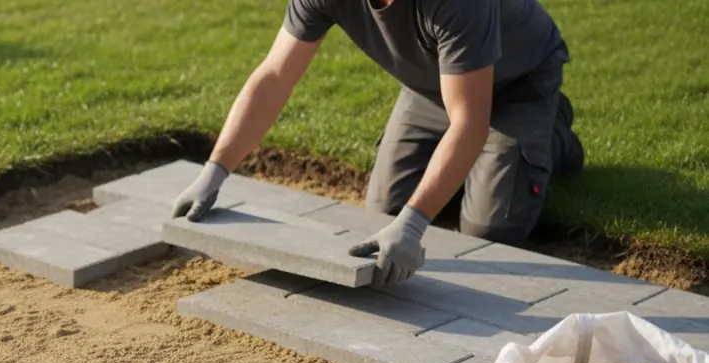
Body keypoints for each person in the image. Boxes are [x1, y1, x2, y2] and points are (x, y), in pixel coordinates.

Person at [172, 0, 584, 287]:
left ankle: (548, 138)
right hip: (430, 88)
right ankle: (480, 165)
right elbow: (274, 76)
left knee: (485, 233)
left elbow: (470, 121)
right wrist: (215, 170)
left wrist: (414, 223)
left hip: (516, 83)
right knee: (381, 213)